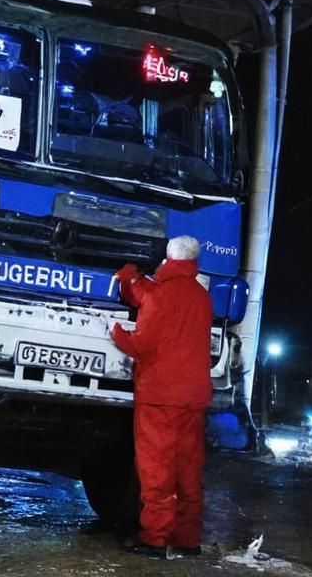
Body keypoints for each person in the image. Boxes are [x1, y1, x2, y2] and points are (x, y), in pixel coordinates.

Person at [110, 235, 212, 558]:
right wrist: (132, 282)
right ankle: (187, 538)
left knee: (157, 469)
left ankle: (154, 538)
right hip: (193, 397)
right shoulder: (201, 296)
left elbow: (140, 345)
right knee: (188, 468)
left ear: (168, 257)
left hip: (160, 396)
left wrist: (116, 333)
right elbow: (148, 296)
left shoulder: (162, 293)